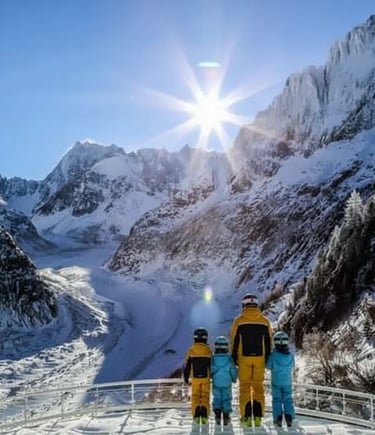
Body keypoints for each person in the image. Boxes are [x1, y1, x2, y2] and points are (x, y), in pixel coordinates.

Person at [230, 293, 272, 427]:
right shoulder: (265, 321)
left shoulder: (239, 321)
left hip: (244, 358)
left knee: (245, 387)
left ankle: (246, 417)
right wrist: (267, 357)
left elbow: (234, 340)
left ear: (244, 305)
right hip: (260, 358)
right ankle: (258, 417)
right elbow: (268, 341)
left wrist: (234, 357)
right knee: (258, 387)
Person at [266, 331, 296, 428]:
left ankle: (278, 418)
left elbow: (268, 366)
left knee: (277, 400)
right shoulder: (290, 356)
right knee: (288, 399)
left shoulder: (273, 356)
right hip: (287, 381)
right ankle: (289, 418)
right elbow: (292, 365)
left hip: (276, 382)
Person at [183, 327, 212, 424]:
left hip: (195, 377)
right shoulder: (208, 351)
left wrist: (186, 377)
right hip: (205, 377)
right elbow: (211, 366)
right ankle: (204, 416)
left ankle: (196, 415)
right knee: (204, 396)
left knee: (195, 396)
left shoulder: (191, 350)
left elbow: (187, 366)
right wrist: (212, 376)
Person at [211, 336, 238, 426]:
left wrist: (211, 376)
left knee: (217, 398)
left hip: (216, 382)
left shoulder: (213, 358)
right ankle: (226, 416)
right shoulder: (229, 358)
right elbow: (233, 370)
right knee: (226, 398)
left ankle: (217, 415)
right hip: (227, 382)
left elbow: (211, 369)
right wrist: (234, 378)